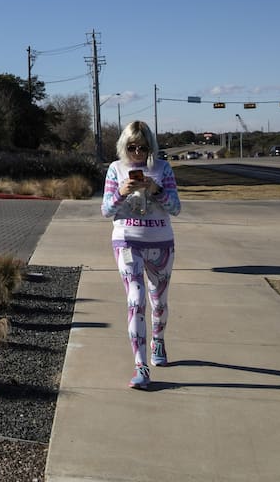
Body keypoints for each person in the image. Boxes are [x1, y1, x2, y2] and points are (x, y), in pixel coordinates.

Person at [101, 120, 181, 389]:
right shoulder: (115, 169)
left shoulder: (162, 169)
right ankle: (141, 366)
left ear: (151, 147)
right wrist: (121, 193)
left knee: (158, 303)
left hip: (161, 243)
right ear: (124, 146)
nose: (137, 153)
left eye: (143, 147)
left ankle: (158, 339)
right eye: (131, 147)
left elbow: (176, 208)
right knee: (136, 300)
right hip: (126, 242)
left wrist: (155, 190)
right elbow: (106, 211)